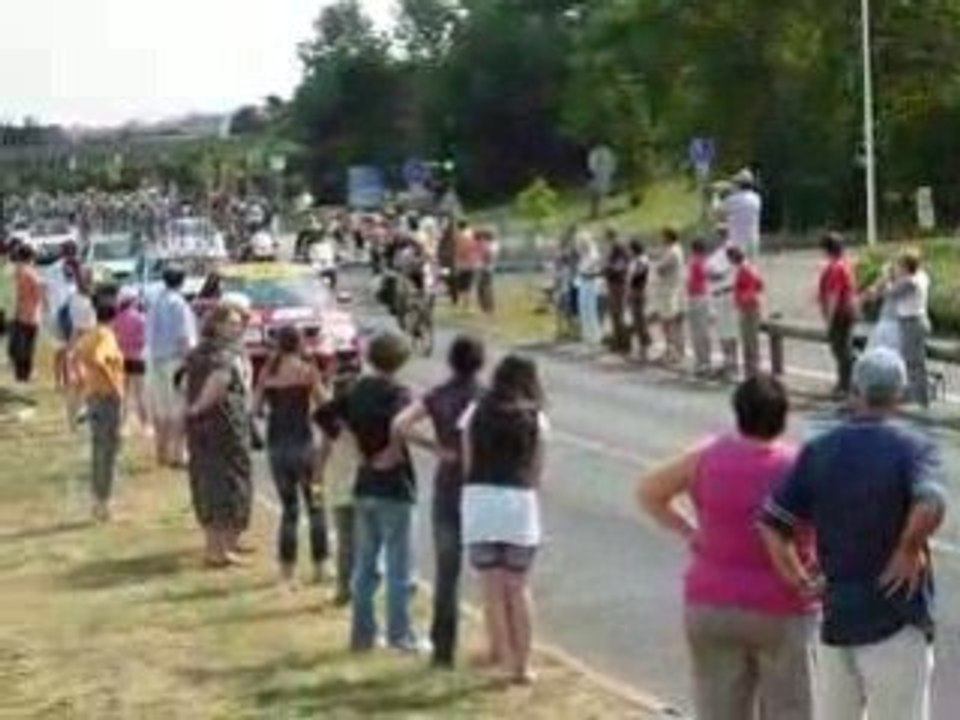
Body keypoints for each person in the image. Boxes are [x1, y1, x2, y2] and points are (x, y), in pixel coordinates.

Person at [760, 348, 947, 720]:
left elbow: (772, 523)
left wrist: (799, 580)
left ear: (854, 391)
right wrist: (907, 547)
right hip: (896, 616)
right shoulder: (913, 448)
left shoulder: (820, 450)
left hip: (837, 616)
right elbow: (931, 503)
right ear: (899, 394)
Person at [639, 375, 815, 720]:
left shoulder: (706, 457)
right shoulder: (797, 467)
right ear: (783, 417)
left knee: (719, 708)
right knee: (790, 708)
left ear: (738, 413)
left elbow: (649, 492)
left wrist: (691, 531)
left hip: (711, 601)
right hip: (781, 605)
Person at [314, 331, 423, 653]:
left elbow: (322, 414)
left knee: (366, 565)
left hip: (364, 482)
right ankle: (399, 634)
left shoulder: (359, 389)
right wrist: (395, 448)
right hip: (394, 481)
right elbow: (401, 424)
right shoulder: (398, 392)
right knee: (399, 565)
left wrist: (351, 439)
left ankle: (362, 634)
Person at [393, 335, 486, 668]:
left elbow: (401, 424)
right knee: (491, 570)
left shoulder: (438, 395)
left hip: (448, 483)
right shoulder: (485, 397)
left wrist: (434, 447)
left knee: (448, 573)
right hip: (481, 487)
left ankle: (443, 646)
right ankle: (497, 642)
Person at [460, 355, 547, 684]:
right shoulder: (534, 418)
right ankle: (522, 666)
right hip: (518, 502)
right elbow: (537, 469)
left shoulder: (475, 411)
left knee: (491, 587)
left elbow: (468, 461)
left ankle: (500, 653)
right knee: (518, 586)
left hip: (480, 500)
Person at [253, 326, 329, 586]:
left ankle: (287, 570)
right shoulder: (307, 371)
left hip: (278, 446)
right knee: (317, 504)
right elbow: (324, 406)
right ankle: (320, 565)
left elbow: (256, 408)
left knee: (289, 509)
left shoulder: (268, 372)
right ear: (299, 344)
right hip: (307, 446)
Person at [182, 302, 253, 568]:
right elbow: (220, 381)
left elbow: (182, 383)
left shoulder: (198, 353)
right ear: (217, 325)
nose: (237, 328)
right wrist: (198, 406)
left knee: (210, 481)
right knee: (223, 484)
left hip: (204, 427)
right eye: (232, 323)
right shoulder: (221, 356)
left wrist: (191, 409)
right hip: (221, 426)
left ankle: (223, 545)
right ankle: (217, 551)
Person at [72, 294, 125, 522]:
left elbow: (76, 354)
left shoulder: (91, 333)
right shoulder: (105, 335)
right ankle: (103, 502)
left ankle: (98, 500)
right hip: (106, 398)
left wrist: (85, 379)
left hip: (94, 395)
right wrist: (114, 386)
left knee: (99, 449)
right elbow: (97, 358)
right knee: (108, 450)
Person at [147, 266, 197, 467]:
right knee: (179, 407)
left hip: (156, 358)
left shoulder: (156, 302)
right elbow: (184, 337)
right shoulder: (180, 305)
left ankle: (161, 452)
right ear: (182, 282)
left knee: (161, 408)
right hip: (175, 360)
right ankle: (178, 452)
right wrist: (189, 362)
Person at [818, 232, 858, 398]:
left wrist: (829, 318)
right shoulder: (844, 264)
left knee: (841, 349)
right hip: (847, 311)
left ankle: (845, 386)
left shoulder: (834, 268)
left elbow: (833, 295)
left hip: (840, 313)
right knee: (843, 349)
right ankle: (845, 383)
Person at [890, 250, 931, 408]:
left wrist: (889, 278)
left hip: (911, 323)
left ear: (907, 266)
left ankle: (920, 399)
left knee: (914, 363)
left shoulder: (910, 282)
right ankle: (918, 396)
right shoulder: (921, 276)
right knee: (916, 361)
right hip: (919, 321)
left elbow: (891, 294)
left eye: (900, 264)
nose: (898, 267)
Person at [112, 289, 149, 434]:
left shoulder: (117, 318)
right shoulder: (140, 318)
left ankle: (124, 424)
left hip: (122, 358)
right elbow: (144, 339)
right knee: (140, 393)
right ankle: (145, 424)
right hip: (138, 358)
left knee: (124, 393)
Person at [7, 244, 43, 382]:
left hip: (17, 311)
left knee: (19, 344)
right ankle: (26, 373)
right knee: (29, 346)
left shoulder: (14, 271)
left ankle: (19, 373)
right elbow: (38, 292)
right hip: (31, 313)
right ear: (30, 257)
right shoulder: (31, 273)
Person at [707, 226, 739, 379]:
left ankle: (732, 363)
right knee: (723, 330)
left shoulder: (731, 250)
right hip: (718, 295)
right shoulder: (715, 254)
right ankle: (729, 362)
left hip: (727, 293)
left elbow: (719, 274)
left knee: (729, 330)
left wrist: (713, 274)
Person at [652, 227, 685, 364]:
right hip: (668, 290)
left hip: (669, 291)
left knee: (669, 323)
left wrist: (657, 262)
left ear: (668, 237)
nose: (661, 239)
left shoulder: (673, 251)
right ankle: (671, 351)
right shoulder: (672, 250)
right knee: (668, 322)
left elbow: (660, 268)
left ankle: (673, 353)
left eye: (663, 236)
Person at [731, 245, 765, 377]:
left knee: (750, 340)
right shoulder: (747, 267)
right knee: (748, 340)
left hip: (749, 308)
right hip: (748, 307)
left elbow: (754, 287)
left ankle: (753, 370)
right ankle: (750, 369)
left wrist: (742, 300)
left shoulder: (745, 269)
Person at [722, 169, 762, 259]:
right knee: (751, 269)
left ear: (739, 184)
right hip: (753, 239)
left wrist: (717, 195)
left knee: (737, 270)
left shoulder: (732, 199)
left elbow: (718, 212)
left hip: (737, 241)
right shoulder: (757, 198)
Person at [686, 239, 712, 375]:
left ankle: (703, 361)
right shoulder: (699, 261)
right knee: (700, 331)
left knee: (699, 331)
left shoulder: (697, 262)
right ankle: (702, 360)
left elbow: (703, 276)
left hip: (698, 297)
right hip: (698, 296)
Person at [603, 233, 631, 353]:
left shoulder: (620, 250)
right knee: (614, 314)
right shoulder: (613, 251)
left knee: (619, 314)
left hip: (618, 285)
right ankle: (617, 341)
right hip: (612, 284)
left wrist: (608, 268)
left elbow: (619, 267)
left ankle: (624, 343)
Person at [576, 233, 603, 345]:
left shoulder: (593, 254)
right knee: (583, 308)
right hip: (583, 282)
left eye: (583, 242)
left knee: (591, 309)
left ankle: (596, 336)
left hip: (591, 283)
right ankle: (586, 334)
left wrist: (586, 271)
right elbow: (581, 269)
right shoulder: (583, 254)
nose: (581, 245)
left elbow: (593, 268)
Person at [627, 239, 651, 362]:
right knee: (637, 319)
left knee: (640, 320)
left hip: (639, 291)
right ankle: (642, 346)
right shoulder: (635, 260)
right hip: (634, 291)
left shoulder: (642, 260)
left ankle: (645, 348)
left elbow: (638, 275)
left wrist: (631, 287)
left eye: (630, 249)